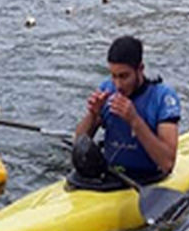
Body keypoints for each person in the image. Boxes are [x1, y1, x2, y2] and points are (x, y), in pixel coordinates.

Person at [73, 36, 181, 183]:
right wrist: (93, 115)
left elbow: (167, 163)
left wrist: (134, 120)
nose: (118, 85)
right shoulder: (107, 89)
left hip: (148, 177)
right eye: (113, 76)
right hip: (111, 175)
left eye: (124, 76)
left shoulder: (162, 97)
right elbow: (78, 142)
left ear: (140, 69)